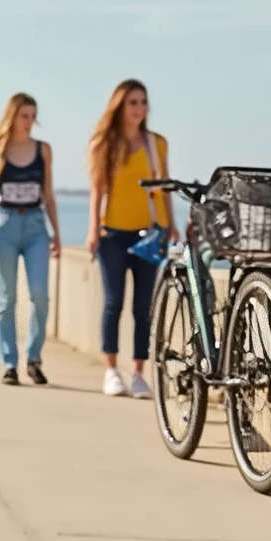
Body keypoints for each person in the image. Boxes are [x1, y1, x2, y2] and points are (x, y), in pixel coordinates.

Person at [85, 78, 178, 398]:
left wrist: (172, 225)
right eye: (132, 102)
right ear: (119, 106)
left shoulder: (157, 143)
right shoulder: (104, 143)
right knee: (113, 303)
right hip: (112, 232)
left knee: (143, 306)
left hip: (150, 233)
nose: (139, 108)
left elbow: (163, 188)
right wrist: (93, 228)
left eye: (143, 102)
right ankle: (111, 370)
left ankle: (138, 372)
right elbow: (97, 188)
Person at [0, 93, 60, 385]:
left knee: (39, 294)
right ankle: (9, 362)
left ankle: (33, 358)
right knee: (5, 298)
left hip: (35, 225)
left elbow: (48, 195)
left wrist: (56, 233)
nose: (29, 122)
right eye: (24, 115)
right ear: (12, 116)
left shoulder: (43, 150)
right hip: (5, 225)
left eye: (33, 115)